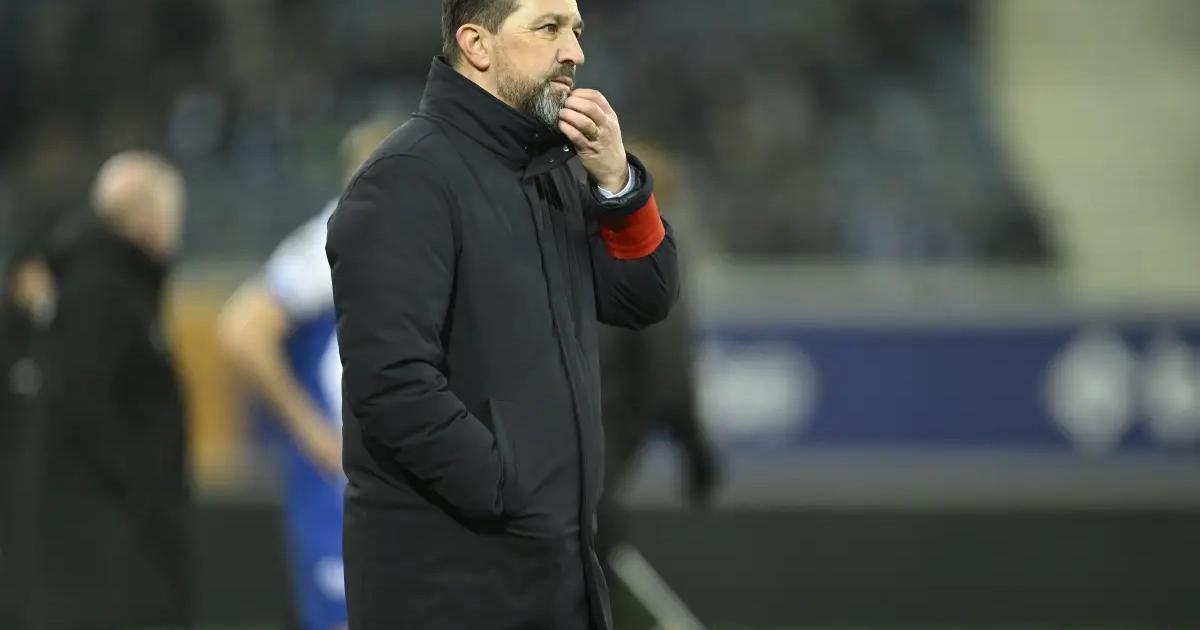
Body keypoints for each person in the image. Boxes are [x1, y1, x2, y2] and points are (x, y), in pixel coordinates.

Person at [326, 0, 681, 627]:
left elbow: (643, 297)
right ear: (477, 44)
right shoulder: (405, 178)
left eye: (575, 31)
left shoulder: (555, 172)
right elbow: (392, 385)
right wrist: (512, 488)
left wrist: (618, 184)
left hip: (557, 575)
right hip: (453, 589)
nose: (574, 52)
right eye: (548, 28)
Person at [218, 115, 401, 630]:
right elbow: (241, 329)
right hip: (339, 484)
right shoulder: (334, 238)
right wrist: (313, 432)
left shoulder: (402, 242)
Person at [16, 151, 190, 630]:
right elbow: (86, 408)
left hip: (109, 541)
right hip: (108, 551)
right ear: (150, 219)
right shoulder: (101, 294)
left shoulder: (113, 287)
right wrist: (145, 487)